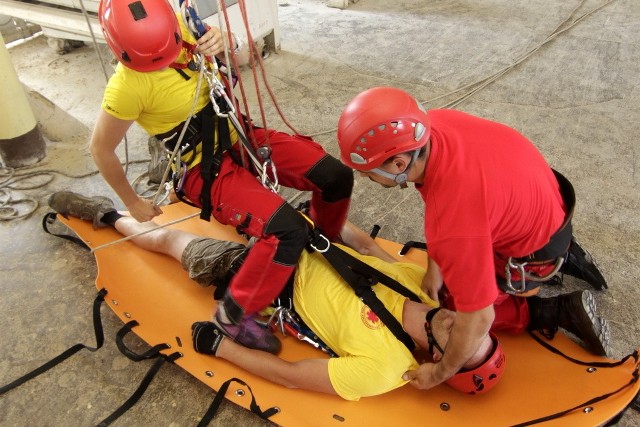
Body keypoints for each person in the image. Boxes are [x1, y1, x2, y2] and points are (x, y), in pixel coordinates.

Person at [48, 191, 501, 399]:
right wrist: (324, 217)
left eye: (464, 344)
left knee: (172, 243)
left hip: (267, 280)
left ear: (439, 358)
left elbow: (290, 376)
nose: (463, 327)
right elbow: (364, 247)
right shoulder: (421, 280)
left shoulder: (382, 369)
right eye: (475, 330)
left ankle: (107, 216)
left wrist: (221, 347)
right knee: (224, 189)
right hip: (292, 236)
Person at [91, 0, 354, 354]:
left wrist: (227, 42)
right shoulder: (126, 88)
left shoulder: (187, 29)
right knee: (286, 230)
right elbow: (101, 149)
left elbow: (248, 59)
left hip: (241, 136)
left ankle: (326, 236)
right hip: (204, 170)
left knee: (336, 177)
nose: (164, 63)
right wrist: (132, 203)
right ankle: (232, 315)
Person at [336, 86, 610, 391]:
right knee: (450, 280)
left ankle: (558, 310)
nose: (364, 178)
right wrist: (436, 266)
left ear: (399, 165)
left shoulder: (453, 221)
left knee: (450, 313)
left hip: (532, 251)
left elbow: (478, 317)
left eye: (368, 171)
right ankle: (558, 255)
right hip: (545, 203)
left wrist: (440, 372)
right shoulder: (433, 125)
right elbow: (452, 197)